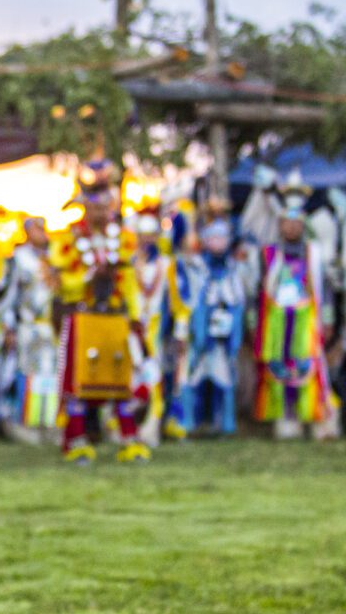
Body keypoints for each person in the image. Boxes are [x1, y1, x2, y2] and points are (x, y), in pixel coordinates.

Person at [49, 161, 149, 464]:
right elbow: (62, 285)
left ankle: (129, 439)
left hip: (116, 318)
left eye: (106, 206)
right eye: (94, 207)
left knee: (121, 381)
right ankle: (76, 440)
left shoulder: (125, 240)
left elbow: (130, 282)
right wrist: (88, 278)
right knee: (80, 382)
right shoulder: (68, 241)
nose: (101, 213)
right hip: (84, 317)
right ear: (84, 208)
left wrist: (135, 317)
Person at [253, 177, 339, 439]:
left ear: (304, 225)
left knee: (309, 368)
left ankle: (315, 417)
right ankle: (285, 420)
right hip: (276, 323)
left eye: (296, 223)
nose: (291, 228)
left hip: (306, 321)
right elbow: (257, 291)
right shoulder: (269, 254)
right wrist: (252, 319)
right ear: (279, 225)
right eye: (286, 223)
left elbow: (324, 289)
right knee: (278, 369)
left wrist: (327, 317)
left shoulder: (314, 253)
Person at [178, 219, 249, 436]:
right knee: (191, 378)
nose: (217, 242)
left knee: (226, 379)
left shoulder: (234, 269)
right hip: (198, 335)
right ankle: (187, 422)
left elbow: (239, 300)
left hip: (223, 337)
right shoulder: (195, 267)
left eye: (222, 238)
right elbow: (187, 298)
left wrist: (234, 331)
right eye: (213, 238)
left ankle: (227, 423)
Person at [0, 217, 60, 444]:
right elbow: (9, 296)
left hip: (48, 328)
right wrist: (8, 327)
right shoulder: (17, 260)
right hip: (26, 327)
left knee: (50, 376)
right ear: (27, 231)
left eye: (44, 228)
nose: (43, 233)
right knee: (24, 373)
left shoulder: (54, 259)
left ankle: (47, 424)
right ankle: (22, 423)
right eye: (38, 228)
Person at [129, 206, 188, 444]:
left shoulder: (167, 265)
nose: (145, 239)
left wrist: (180, 332)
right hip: (129, 330)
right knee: (128, 378)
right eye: (141, 234)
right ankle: (125, 427)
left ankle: (151, 426)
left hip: (155, 331)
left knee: (154, 378)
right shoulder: (128, 262)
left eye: (150, 234)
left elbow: (179, 303)